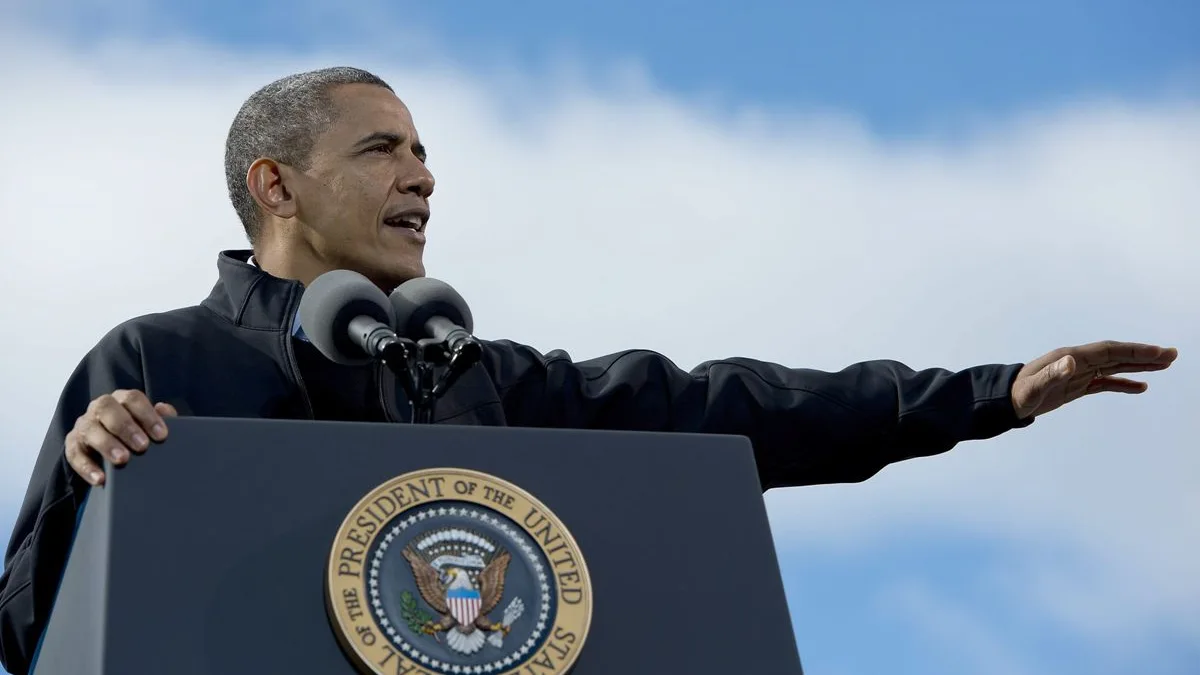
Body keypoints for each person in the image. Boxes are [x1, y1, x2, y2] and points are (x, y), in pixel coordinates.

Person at [0, 66, 1177, 675]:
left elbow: (730, 405)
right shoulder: (152, 362)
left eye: (424, 150)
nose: (422, 174)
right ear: (276, 184)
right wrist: (104, 485)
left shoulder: (473, 378)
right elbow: (31, 620)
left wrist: (989, 395)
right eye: (382, 149)